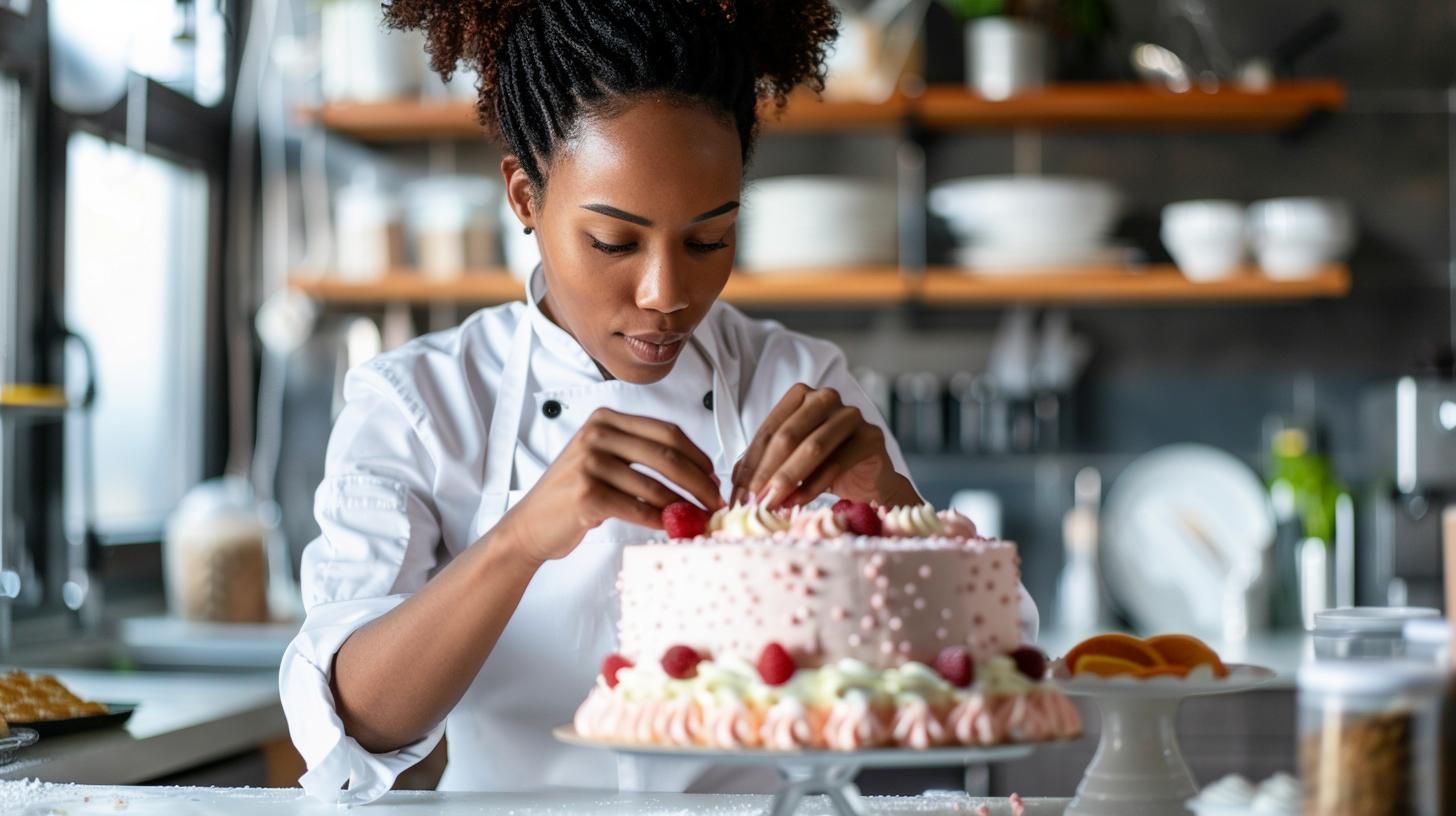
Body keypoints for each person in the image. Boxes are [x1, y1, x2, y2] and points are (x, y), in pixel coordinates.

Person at [279, 0, 1034, 803]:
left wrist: (891, 504)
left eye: (709, 240)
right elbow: (350, 725)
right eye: (614, 242)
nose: (667, 294)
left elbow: (1004, 663)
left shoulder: (796, 381)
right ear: (525, 198)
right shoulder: (420, 401)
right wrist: (520, 541)